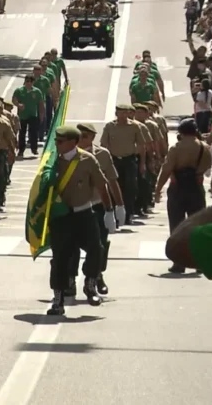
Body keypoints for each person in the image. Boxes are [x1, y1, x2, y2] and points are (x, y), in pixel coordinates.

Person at [46, 126, 116, 316]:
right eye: (56, 141)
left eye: (60, 141)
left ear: (72, 142)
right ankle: (58, 299)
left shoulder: (87, 160)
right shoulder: (51, 161)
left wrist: (109, 211)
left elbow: (102, 186)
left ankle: (90, 284)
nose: (57, 144)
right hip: (61, 217)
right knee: (60, 257)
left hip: (84, 213)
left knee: (96, 249)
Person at [68, 124, 126, 296]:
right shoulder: (67, 153)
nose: (81, 139)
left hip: (97, 205)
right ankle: (70, 279)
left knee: (99, 245)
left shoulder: (102, 154)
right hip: (74, 206)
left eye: (85, 136)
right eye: (79, 135)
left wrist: (119, 206)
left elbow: (112, 181)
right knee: (71, 245)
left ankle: (95, 276)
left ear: (93, 137)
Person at [154, 119, 211, 274]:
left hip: (178, 188)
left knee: (177, 226)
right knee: (198, 226)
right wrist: (198, 173)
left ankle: (179, 263)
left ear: (181, 131)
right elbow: (207, 167)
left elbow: (166, 170)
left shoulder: (176, 148)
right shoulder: (204, 147)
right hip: (196, 188)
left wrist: (158, 189)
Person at [100, 104, 147, 224]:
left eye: (126, 113)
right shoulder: (110, 126)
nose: (124, 115)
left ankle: (128, 214)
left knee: (130, 187)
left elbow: (142, 145)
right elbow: (103, 145)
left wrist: (142, 163)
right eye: (121, 113)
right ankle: (115, 213)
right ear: (116, 114)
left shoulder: (135, 126)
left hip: (129, 160)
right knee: (114, 187)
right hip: (114, 160)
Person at [12, 75, 44, 157]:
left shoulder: (37, 91)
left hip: (33, 114)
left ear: (33, 82)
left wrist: (41, 115)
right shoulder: (19, 90)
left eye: (30, 81)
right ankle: (21, 150)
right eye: (27, 81)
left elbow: (40, 104)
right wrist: (18, 105)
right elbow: (14, 99)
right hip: (22, 115)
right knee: (22, 133)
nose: (28, 83)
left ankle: (34, 149)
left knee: (33, 133)